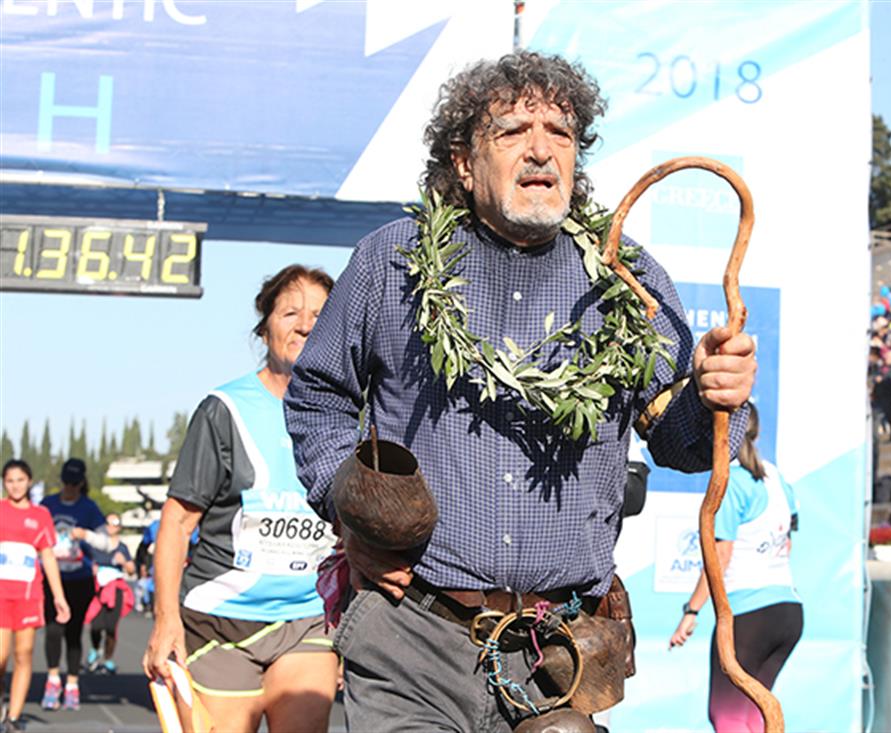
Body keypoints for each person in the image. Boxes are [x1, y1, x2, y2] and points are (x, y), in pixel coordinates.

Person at [284, 51, 758, 732]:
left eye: (560, 133)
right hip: (411, 636)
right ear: (464, 162)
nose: (540, 149)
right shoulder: (390, 262)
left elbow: (683, 445)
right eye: (512, 131)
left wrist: (714, 396)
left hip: (558, 657)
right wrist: (352, 511)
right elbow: (318, 398)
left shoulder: (629, 281)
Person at [142, 265, 340, 733]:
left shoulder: (352, 413)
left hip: (307, 619)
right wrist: (165, 621)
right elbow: (177, 523)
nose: (305, 325)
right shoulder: (224, 410)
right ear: (265, 327)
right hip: (220, 622)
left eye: (319, 315)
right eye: (290, 313)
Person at [668, 404, 800, 733]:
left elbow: (720, 557)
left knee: (727, 716)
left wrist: (692, 611)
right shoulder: (776, 477)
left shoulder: (730, 483)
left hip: (749, 614)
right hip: (788, 611)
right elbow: (787, 543)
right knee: (757, 714)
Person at [1, 460, 70, 733]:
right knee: (0, 656)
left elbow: (48, 556)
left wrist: (59, 597)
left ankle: (13, 718)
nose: (15, 486)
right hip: (1, 595)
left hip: (28, 596)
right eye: (10, 481)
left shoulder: (41, 515)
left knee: (24, 653)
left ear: (29, 481)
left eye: (20, 480)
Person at [39, 458, 107, 711]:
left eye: (74, 483)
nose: (70, 488)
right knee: (53, 630)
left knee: (74, 632)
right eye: (66, 482)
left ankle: (72, 683)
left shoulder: (89, 507)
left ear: (81, 483)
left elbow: (106, 542)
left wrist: (85, 535)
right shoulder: (48, 504)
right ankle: (53, 679)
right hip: (52, 578)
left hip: (80, 579)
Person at [85, 514, 136, 674]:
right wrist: (91, 568)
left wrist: (124, 562)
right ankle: (95, 649)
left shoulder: (122, 547)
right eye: (108, 523)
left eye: (115, 523)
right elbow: (85, 560)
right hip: (98, 588)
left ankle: (108, 659)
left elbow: (132, 569)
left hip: (115, 589)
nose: (111, 527)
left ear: (119, 527)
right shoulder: (97, 546)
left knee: (111, 627)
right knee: (96, 625)